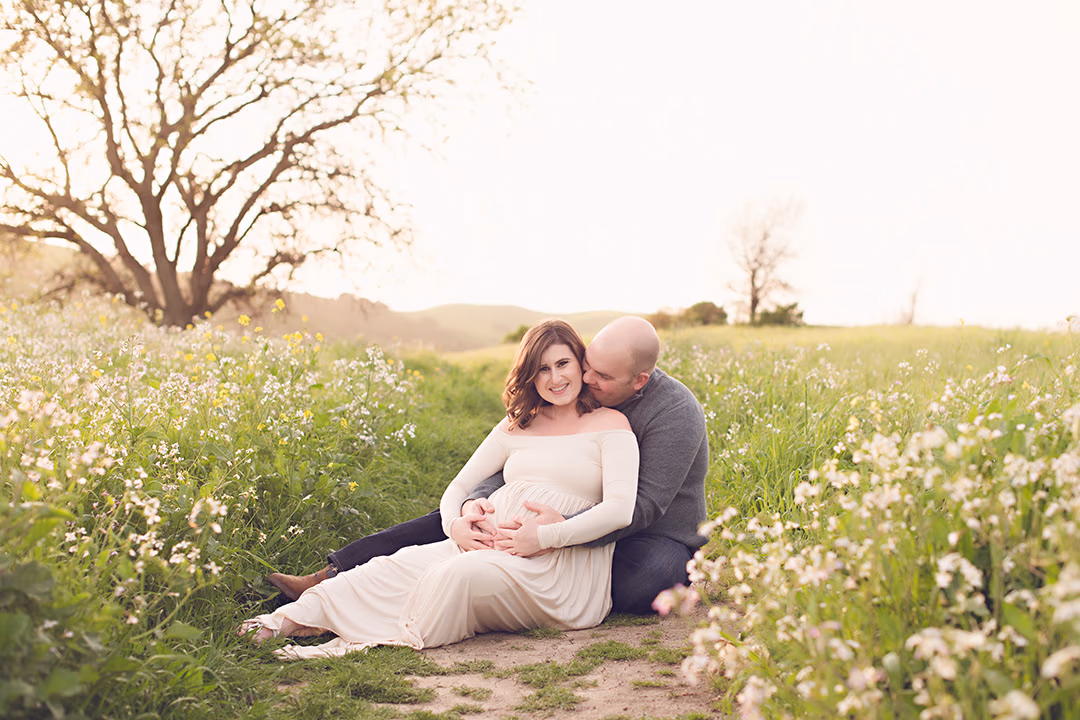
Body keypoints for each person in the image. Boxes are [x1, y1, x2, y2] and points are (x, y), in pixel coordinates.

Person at [240, 319, 639, 658]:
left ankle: (356, 639)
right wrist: (456, 525)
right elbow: (458, 487)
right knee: (388, 568)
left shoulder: (611, 425)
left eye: (563, 363)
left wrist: (547, 535)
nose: (555, 378)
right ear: (530, 377)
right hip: (485, 543)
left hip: (559, 570)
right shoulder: (517, 425)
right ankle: (284, 622)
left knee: (457, 575)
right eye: (542, 369)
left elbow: (620, 509)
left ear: (580, 363)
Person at [267, 315, 709, 615]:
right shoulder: (588, 389)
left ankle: (519, 589)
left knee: (647, 579)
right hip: (555, 516)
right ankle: (338, 573)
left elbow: (643, 507)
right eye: (587, 366)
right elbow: (514, 462)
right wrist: (475, 507)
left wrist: (555, 532)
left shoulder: (675, 413)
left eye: (602, 377)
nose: (586, 381)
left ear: (639, 381)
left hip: (650, 535)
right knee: (463, 521)